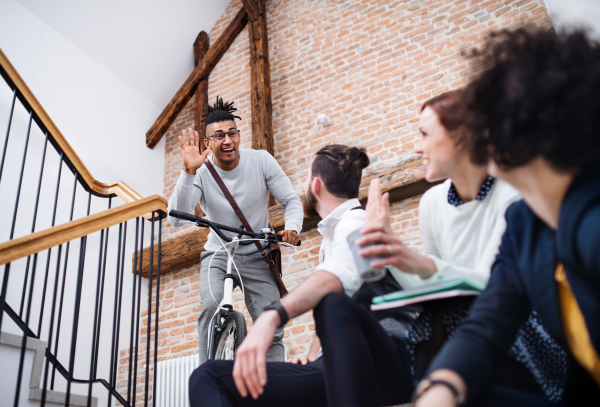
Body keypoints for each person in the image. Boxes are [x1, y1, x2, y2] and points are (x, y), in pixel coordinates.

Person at [412, 28, 600, 407]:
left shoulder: (591, 220)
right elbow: (487, 323)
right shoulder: (524, 222)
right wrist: (443, 388)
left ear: (524, 124)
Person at [357, 91, 566, 400]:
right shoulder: (431, 203)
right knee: (441, 311)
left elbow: (496, 288)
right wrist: (389, 252)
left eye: (424, 134)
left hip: (523, 331)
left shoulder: (512, 196)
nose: (416, 147)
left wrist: (424, 264)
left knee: (457, 310)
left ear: (463, 137)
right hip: (470, 334)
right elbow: (428, 285)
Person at [188, 144, 377, 407]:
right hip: (327, 362)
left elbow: (336, 278)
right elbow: (339, 311)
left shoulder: (355, 225)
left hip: (353, 364)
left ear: (316, 186)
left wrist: (274, 315)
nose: (302, 184)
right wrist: (311, 356)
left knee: (208, 376)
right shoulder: (333, 237)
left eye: (306, 176)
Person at [167, 97, 303, 364]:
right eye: (218, 136)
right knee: (211, 305)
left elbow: (291, 200)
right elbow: (177, 218)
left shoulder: (261, 161)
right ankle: (209, 376)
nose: (227, 140)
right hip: (219, 253)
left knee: (271, 325)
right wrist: (188, 171)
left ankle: (276, 390)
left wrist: (292, 228)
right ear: (208, 143)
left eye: (232, 133)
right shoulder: (202, 171)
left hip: (258, 254)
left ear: (239, 136)